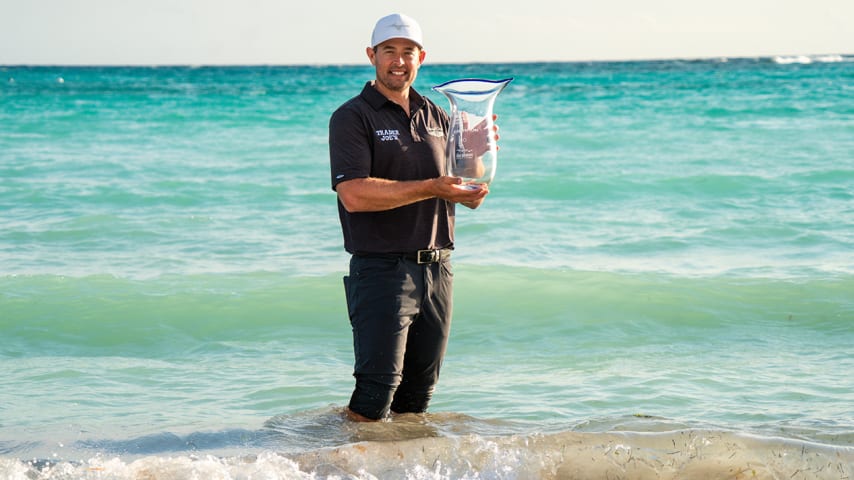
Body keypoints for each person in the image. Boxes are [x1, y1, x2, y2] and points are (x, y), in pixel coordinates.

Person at [328, 13, 496, 421]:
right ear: (372, 55)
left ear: (422, 57)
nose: (398, 61)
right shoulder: (353, 116)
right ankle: (344, 464)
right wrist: (430, 187)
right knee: (376, 391)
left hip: (439, 270)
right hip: (383, 269)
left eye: (408, 52)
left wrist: (479, 151)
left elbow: (467, 186)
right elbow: (353, 195)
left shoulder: (439, 116)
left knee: (418, 397)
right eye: (389, 52)